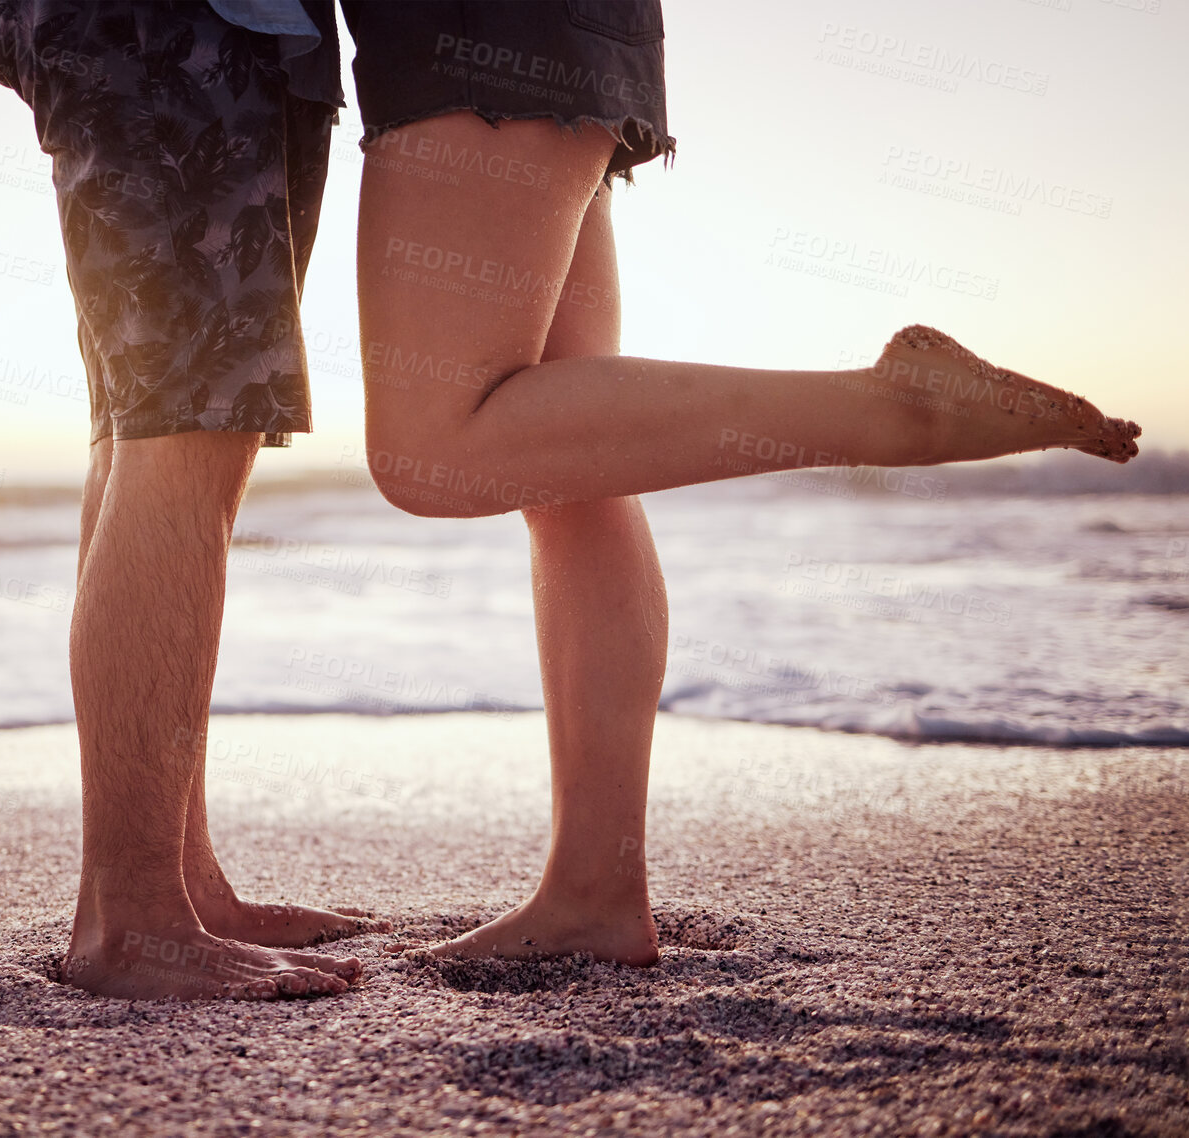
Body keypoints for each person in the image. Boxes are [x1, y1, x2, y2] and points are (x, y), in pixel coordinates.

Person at [337, 0, 1139, 966]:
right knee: (571, 465)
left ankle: (892, 408)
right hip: (568, 36)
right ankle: (593, 891)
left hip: (474, 33)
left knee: (438, 448)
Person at [0, 0, 381, 999]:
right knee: (182, 423)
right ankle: (134, 918)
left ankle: (176, 885)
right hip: (169, 22)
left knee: (165, 431)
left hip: (250, 39)